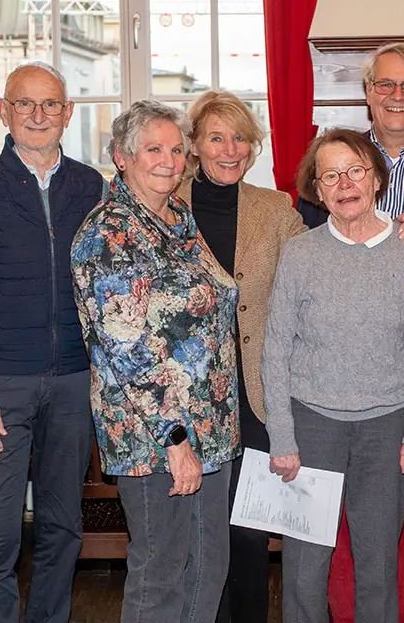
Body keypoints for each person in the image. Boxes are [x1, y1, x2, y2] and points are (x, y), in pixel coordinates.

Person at [0, 62, 104, 623]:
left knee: (62, 530)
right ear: (3, 112)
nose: (38, 115)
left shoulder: (93, 186)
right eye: (24, 104)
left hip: (75, 384)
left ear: (67, 113)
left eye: (50, 104)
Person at [299, 40, 404, 622]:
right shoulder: (330, 163)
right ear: (367, 95)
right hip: (332, 388)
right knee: (335, 526)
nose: (397, 96)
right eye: (385, 85)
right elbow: (310, 256)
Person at [262, 127, 404, 623]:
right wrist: (282, 436)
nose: (345, 184)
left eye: (355, 171)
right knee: (303, 567)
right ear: (318, 191)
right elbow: (275, 348)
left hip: (387, 427)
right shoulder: (300, 254)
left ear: (377, 179)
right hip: (312, 423)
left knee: (379, 565)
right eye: (331, 176)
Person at [71, 99, 240, 623]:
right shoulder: (107, 234)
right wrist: (176, 440)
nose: (168, 160)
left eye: (175, 149)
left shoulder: (181, 217)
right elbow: (128, 354)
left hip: (213, 425)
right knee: (161, 573)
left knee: (209, 566)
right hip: (156, 437)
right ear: (122, 157)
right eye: (153, 149)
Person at [170, 90, 305, 623]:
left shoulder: (277, 210)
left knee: (249, 532)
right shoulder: (162, 201)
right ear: (195, 145)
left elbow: (318, 269)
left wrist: (390, 232)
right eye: (216, 137)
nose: (230, 149)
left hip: (254, 394)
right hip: (183, 398)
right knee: (194, 534)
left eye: (241, 138)